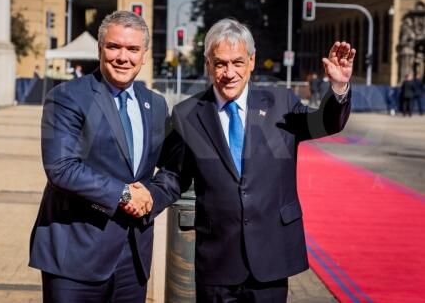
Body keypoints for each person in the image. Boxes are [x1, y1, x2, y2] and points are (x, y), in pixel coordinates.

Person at [143, 19, 354, 303]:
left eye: (238, 62)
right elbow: (173, 176)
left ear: (252, 62)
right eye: (220, 64)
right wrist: (145, 197)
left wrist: (339, 88)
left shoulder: (281, 103)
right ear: (207, 64)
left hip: (270, 258)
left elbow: (323, 123)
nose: (229, 73)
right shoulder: (187, 114)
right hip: (217, 260)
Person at [29, 10, 169, 303]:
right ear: (100, 49)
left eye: (132, 49)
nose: (123, 57)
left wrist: (152, 196)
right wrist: (124, 195)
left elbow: (173, 169)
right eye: (114, 46)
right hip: (75, 257)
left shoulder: (155, 105)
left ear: (144, 54)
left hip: (133, 258)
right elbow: (61, 168)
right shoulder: (66, 96)